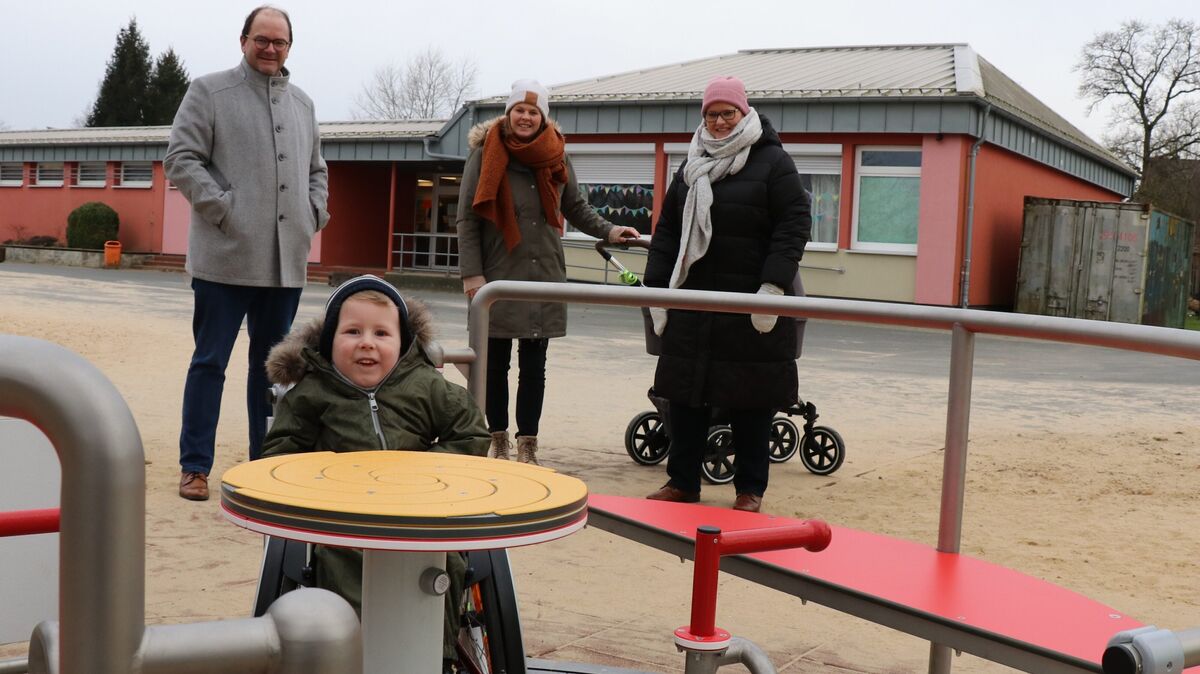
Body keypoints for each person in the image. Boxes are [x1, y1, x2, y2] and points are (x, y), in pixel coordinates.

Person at [261, 274, 489, 673]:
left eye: (382, 333)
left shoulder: (425, 386)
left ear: (402, 344)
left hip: (419, 516)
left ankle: (435, 658)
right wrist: (325, 475)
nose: (367, 342)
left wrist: (427, 471)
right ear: (330, 343)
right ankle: (355, 656)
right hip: (345, 520)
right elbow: (280, 453)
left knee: (447, 565)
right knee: (340, 567)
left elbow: (471, 432)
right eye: (352, 331)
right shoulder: (314, 393)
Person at [165, 5, 329, 501]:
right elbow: (180, 157)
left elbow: (317, 171)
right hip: (224, 257)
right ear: (243, 40)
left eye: (280, 42)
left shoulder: (302, 104)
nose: (271, 49)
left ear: (289, 47)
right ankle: (195, 466)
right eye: (262, 39)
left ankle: (266, 464)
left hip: (285, 264)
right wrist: (223, 208)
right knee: (209, 362)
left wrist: (312, 213)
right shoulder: (209, 91)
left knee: (276, 370)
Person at [643, 76, 810, 513]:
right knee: (686, 396)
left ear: (743, 113)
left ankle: (749, 489)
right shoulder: (691, 164)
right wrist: (656, 292)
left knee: (751, 400)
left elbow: (793, 222)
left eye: (726, 113)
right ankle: (682, 482)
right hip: (694, 300)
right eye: (711, 114)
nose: (718, 121)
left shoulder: (773, 160)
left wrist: (772, 287)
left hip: (749, 300)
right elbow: (667, 232)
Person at [456, 79, 640, 465]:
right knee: (494, 365)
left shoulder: (556, 156)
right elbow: (467, 220)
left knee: (534, 368)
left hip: (545, 273)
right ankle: (499, 441)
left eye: (533, 111)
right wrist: (472, 274)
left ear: (543, 118)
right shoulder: (485, 153)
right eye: (519, 110)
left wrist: (610, 230)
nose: (525, 116)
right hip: (498, 274)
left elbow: (575, 206)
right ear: (508, 114)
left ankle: (529, 446)